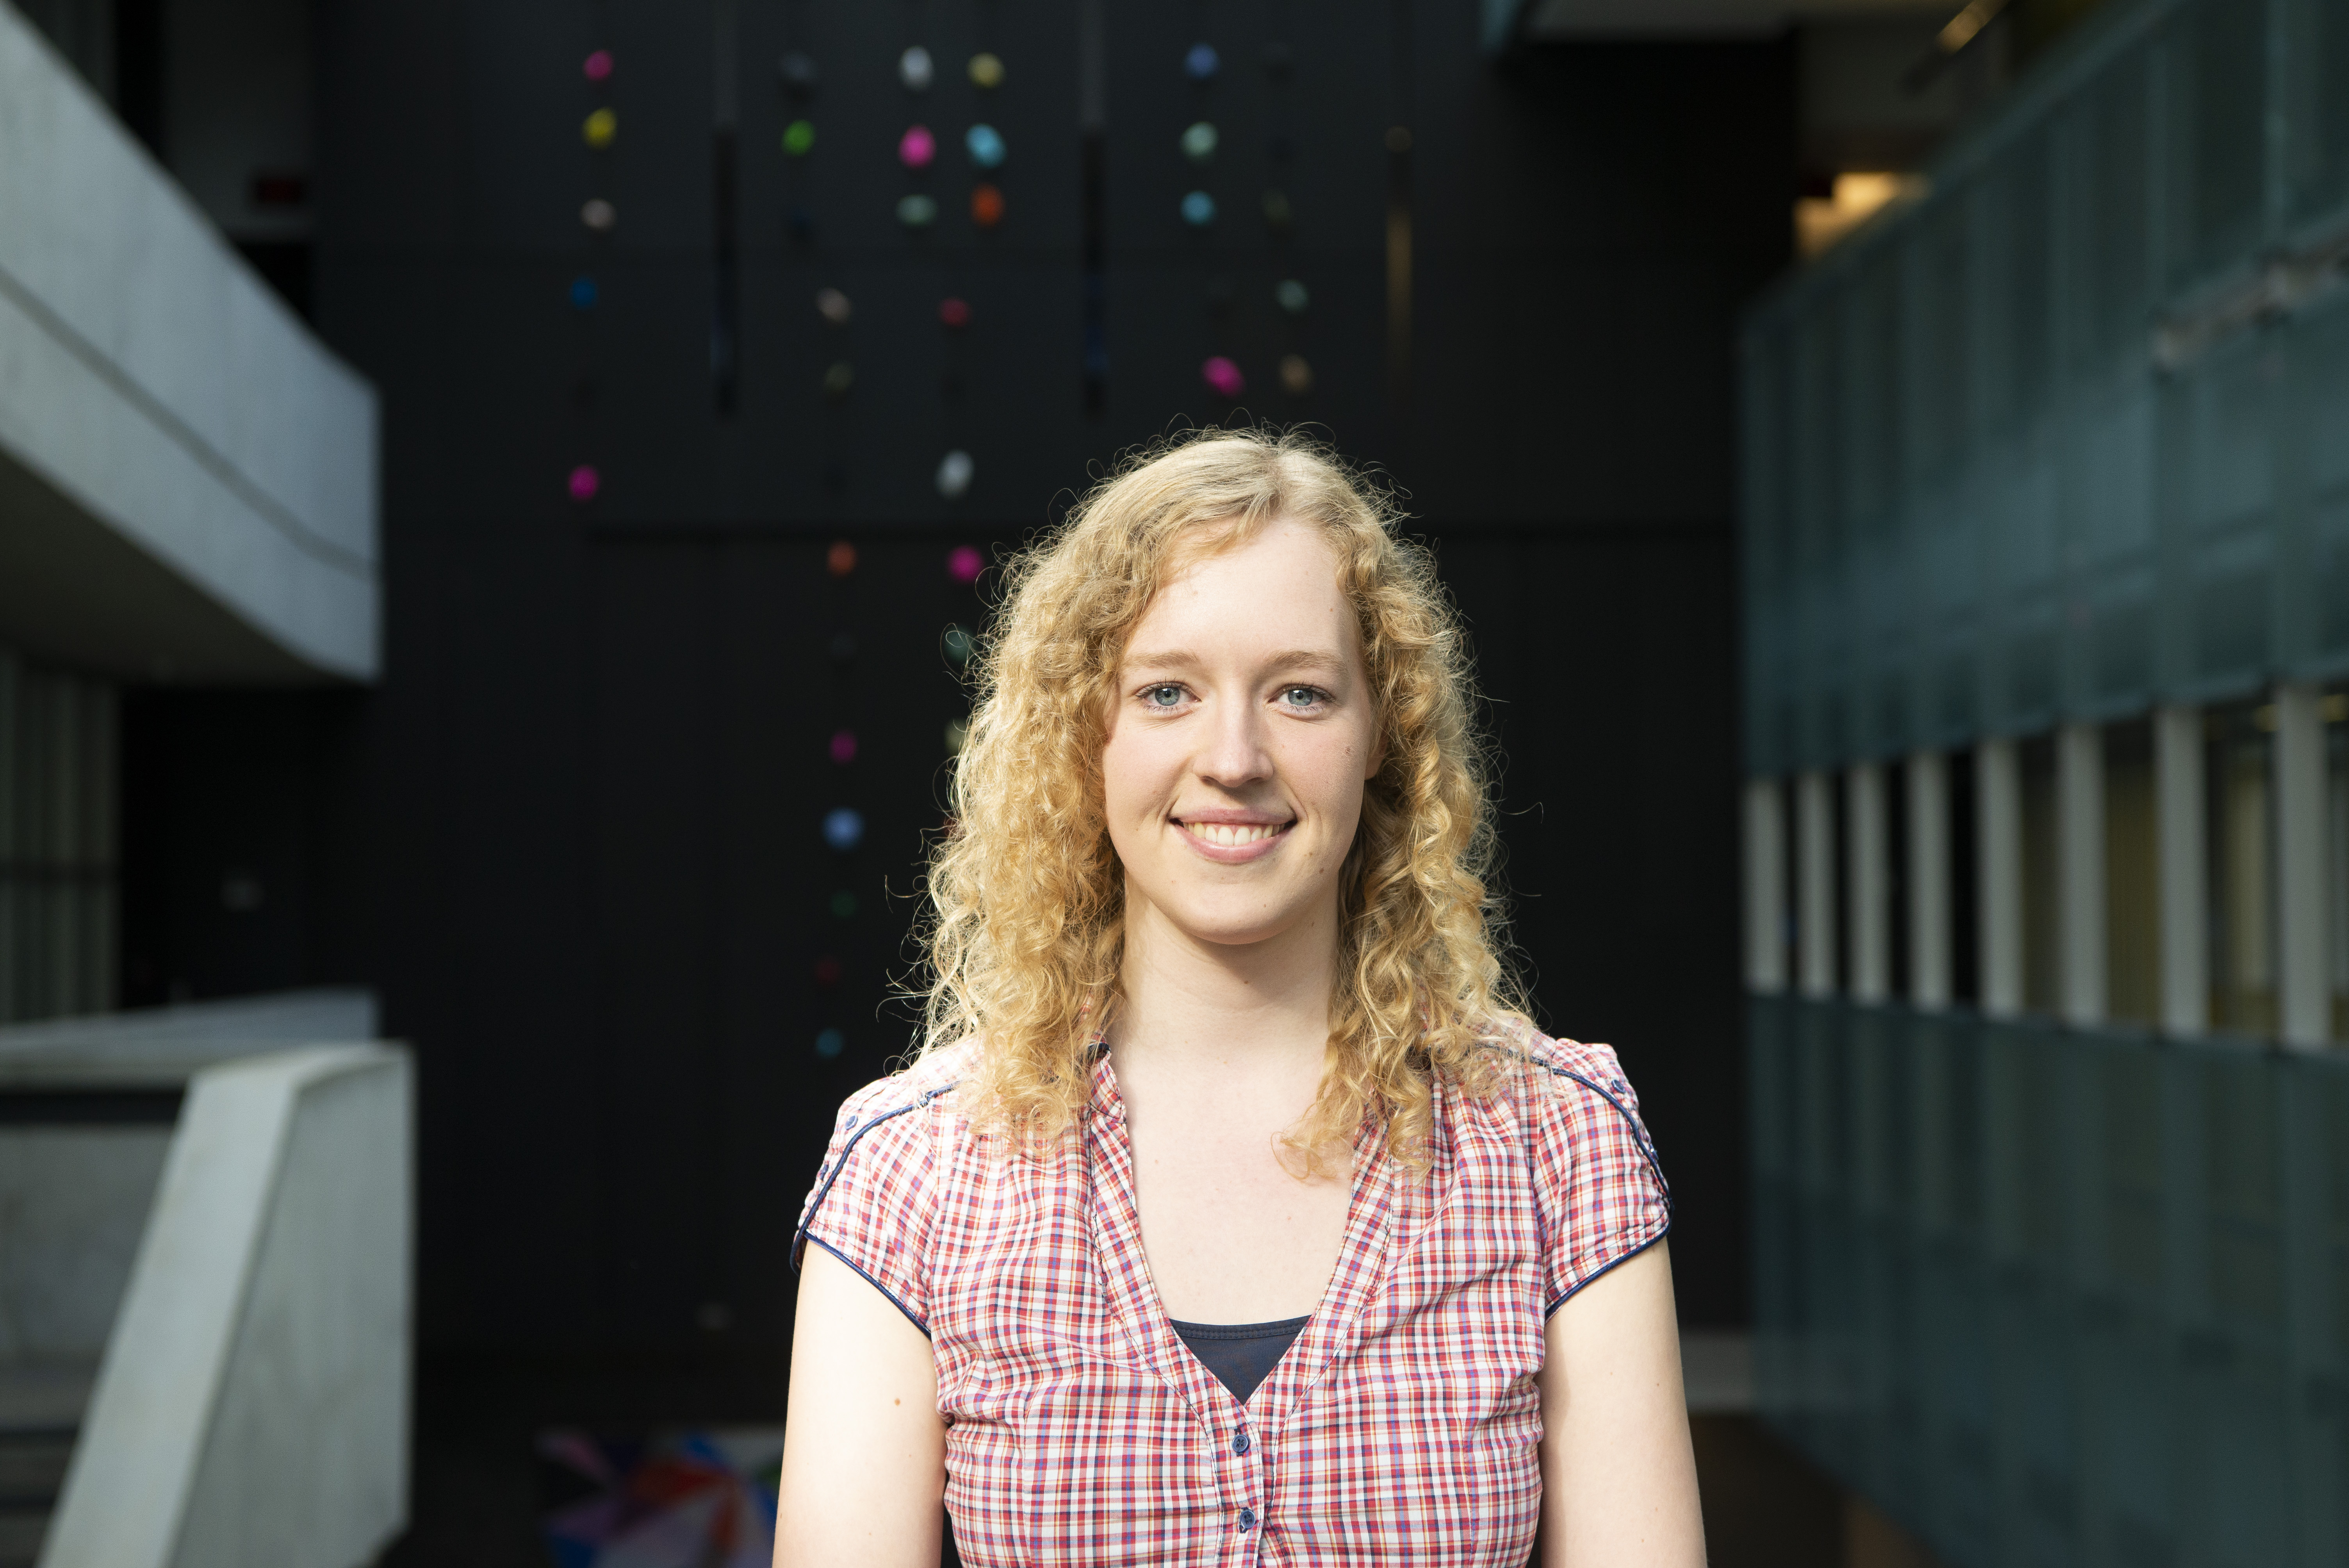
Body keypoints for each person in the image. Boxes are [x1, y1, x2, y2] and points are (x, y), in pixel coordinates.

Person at [774, 429, 1705, 1567]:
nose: (1235, 756)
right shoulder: (912, 1174)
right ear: (1089, 738)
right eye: (1167, 691)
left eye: (1301, 694)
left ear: (1381, 737)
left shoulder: (1556, 1145)